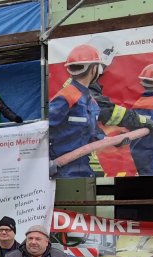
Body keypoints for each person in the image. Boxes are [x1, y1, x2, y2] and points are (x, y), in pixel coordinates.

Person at [49, 44, 105, 178]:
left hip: (82, 168)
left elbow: (92, 132)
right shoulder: (66, 97)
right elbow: (45, 130)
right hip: (63, 171)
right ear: (93, 69)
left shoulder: (91, 101)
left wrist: (110, 140)